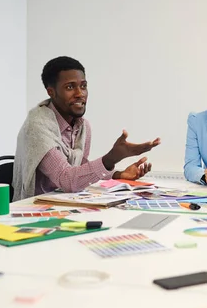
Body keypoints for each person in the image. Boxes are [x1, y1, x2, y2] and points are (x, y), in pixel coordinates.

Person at [12, 56, 161, 201]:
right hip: (35, 209)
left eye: (83, 86)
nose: (80, 94)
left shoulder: (82, 126)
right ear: (51, 92)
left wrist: (118, 174)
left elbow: (82, 170)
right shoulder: (37, 126)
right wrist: (111, 158)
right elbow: (68, 180)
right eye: (70, 87)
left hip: (66, 203)